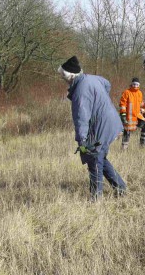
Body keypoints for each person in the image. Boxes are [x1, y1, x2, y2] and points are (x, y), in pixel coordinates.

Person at [58, 56, 126, 200]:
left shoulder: (80, 91)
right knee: (100, 156)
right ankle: (120, 188)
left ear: (69, 76)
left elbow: (81, 118)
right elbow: (107, 84)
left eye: (62, 76)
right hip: (112, 122)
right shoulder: (92, 78)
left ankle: (96, 197)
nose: (62, 79)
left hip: (101, 126)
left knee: (93, 156)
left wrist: (82, 141)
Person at [119, 77, 145, 149]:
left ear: (139, 85)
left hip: (138, 115)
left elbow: (141, 103)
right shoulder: (127, 92)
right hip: (129, 117)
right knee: (127, 131)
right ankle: (124, 148)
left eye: (137, 84)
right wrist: (123, 114)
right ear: (131, 84)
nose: (135, 86)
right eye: (134, 84)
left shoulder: (140, 93)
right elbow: (123, 104)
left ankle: (142, 146)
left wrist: (144, 108)